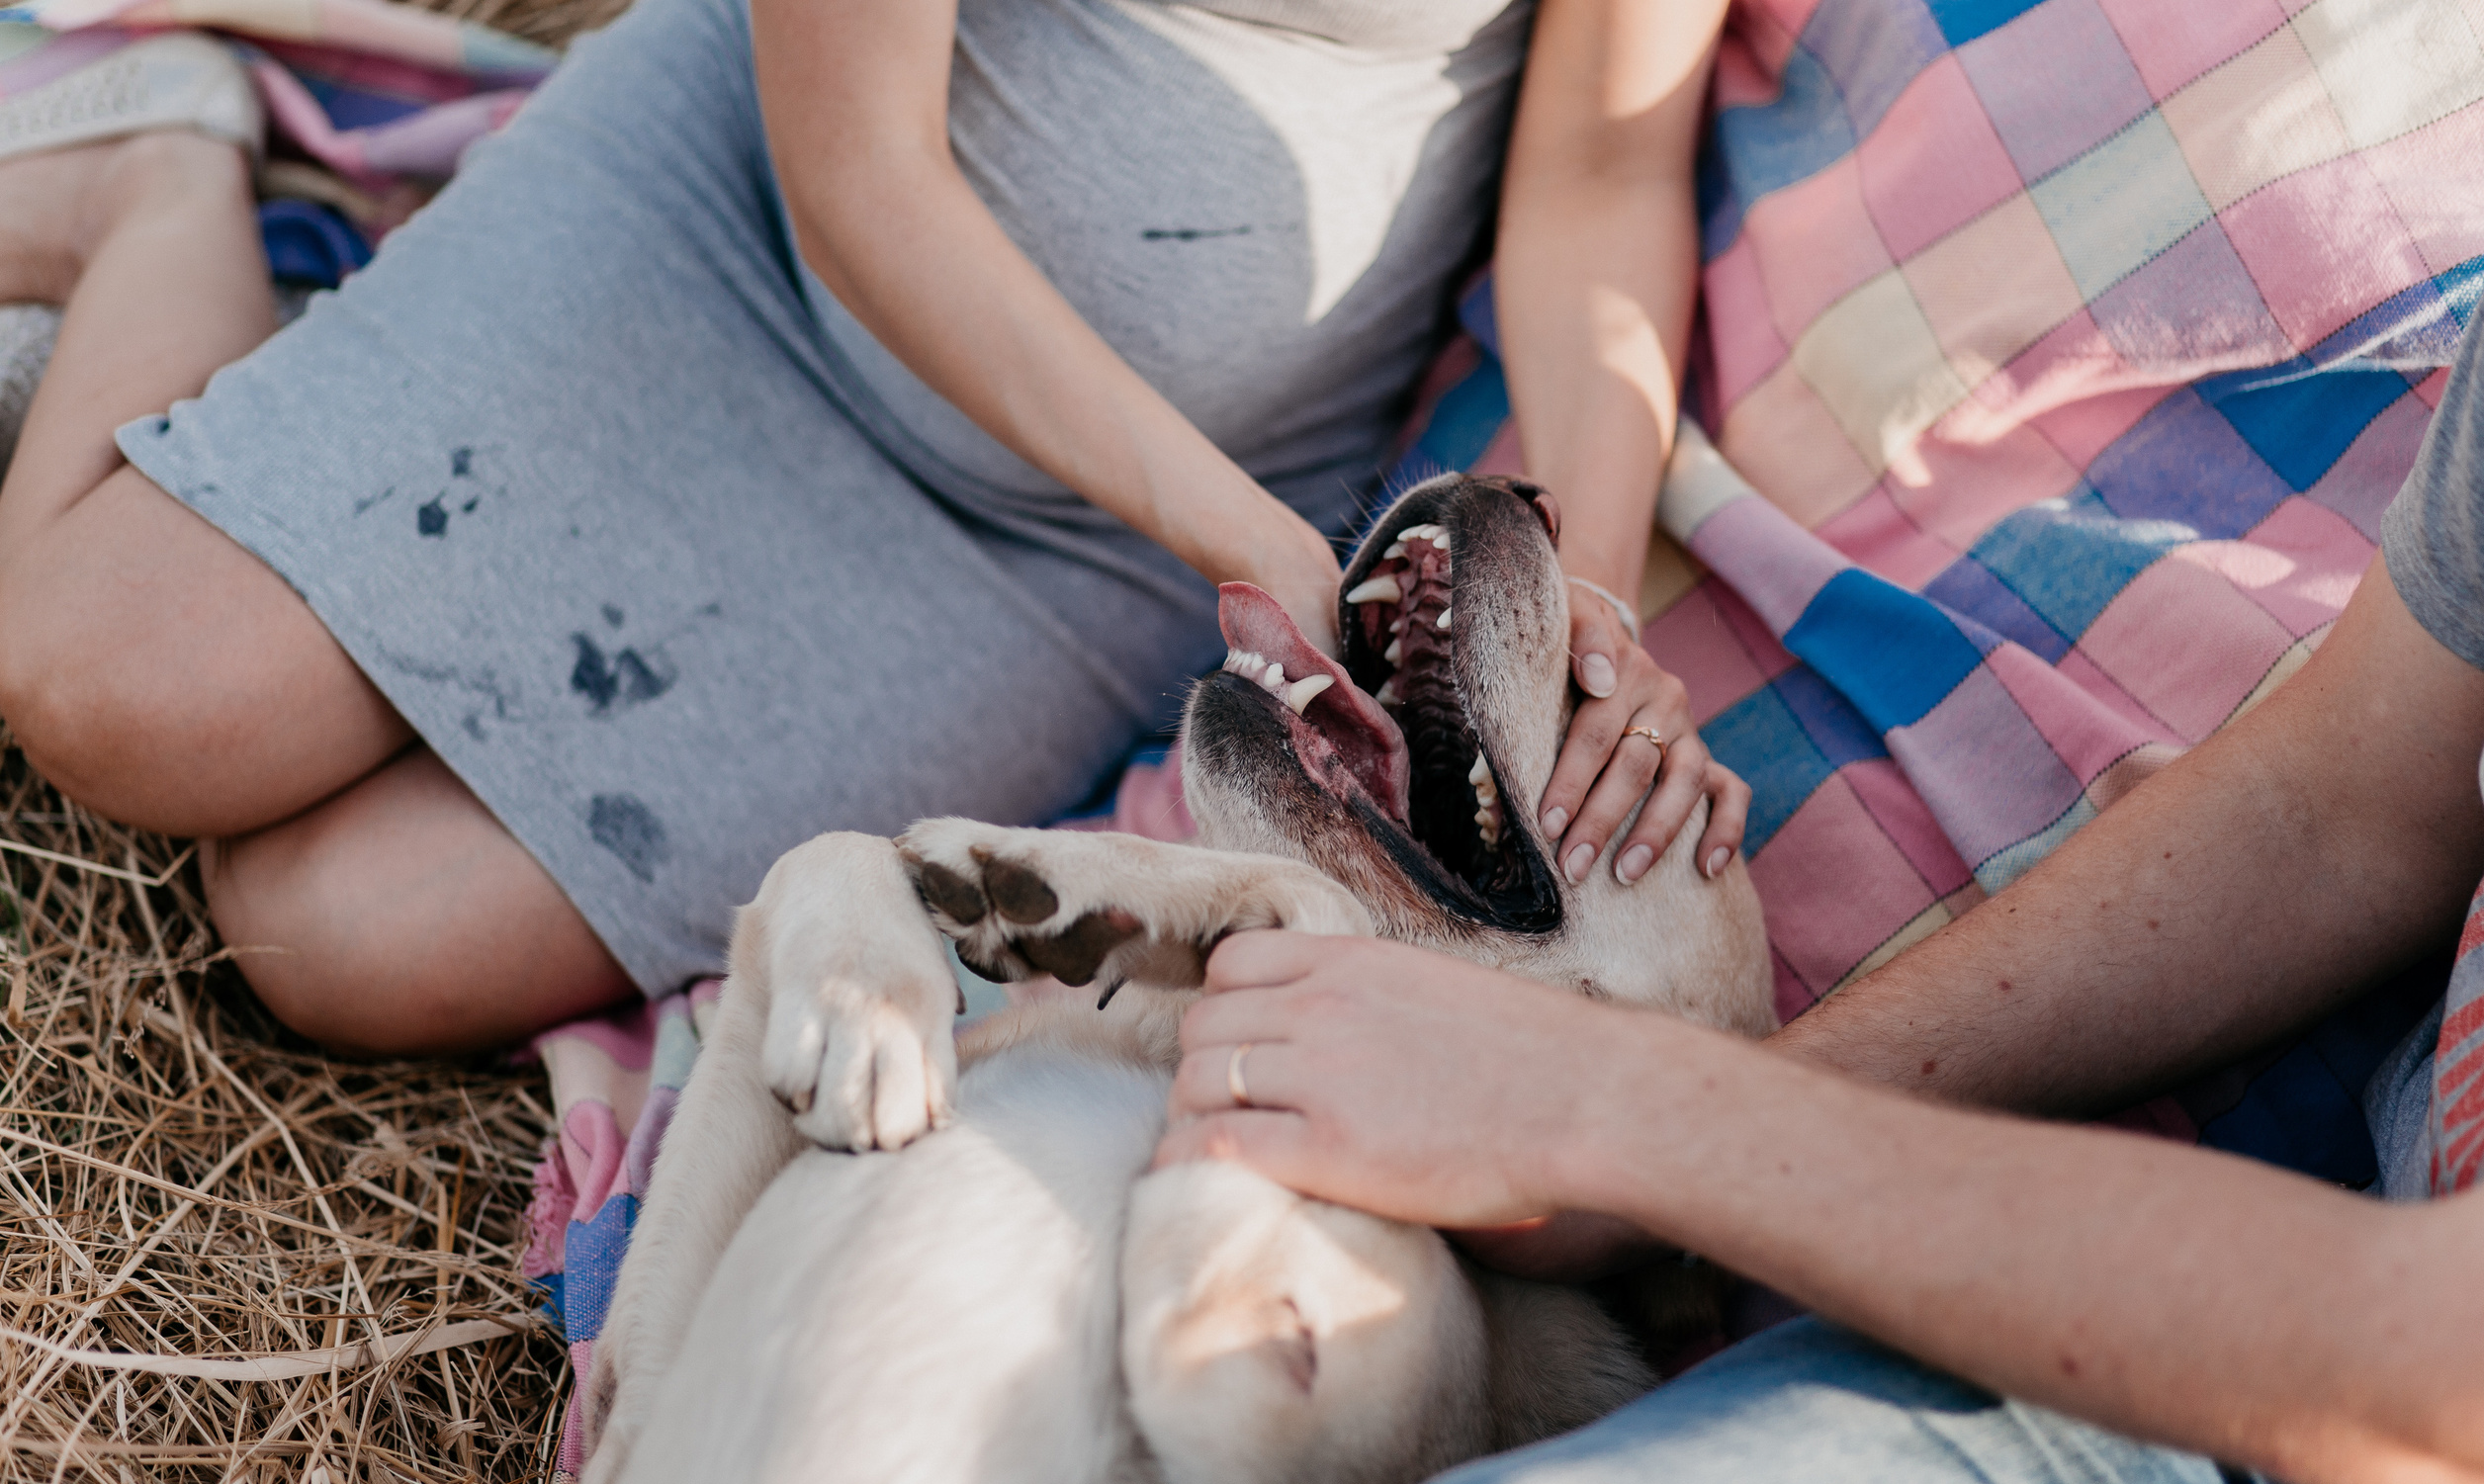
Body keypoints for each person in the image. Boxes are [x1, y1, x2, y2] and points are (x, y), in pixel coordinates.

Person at [1156, 218, 2484, 1484]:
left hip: (2422, 1410)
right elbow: (2343, 820)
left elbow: (2456, 1369)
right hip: (2308, 1386)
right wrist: (1639, 1190)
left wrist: (1604, 1109)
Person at [0, 0, 1744, 1055]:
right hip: (742, 229)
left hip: (1057, 562)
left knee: (332, 936)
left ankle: (293, 457)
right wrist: (1248, 541)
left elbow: (1600, 177)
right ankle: (158, 179)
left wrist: (1573, 599)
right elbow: (862, 184)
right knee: (104, 686)